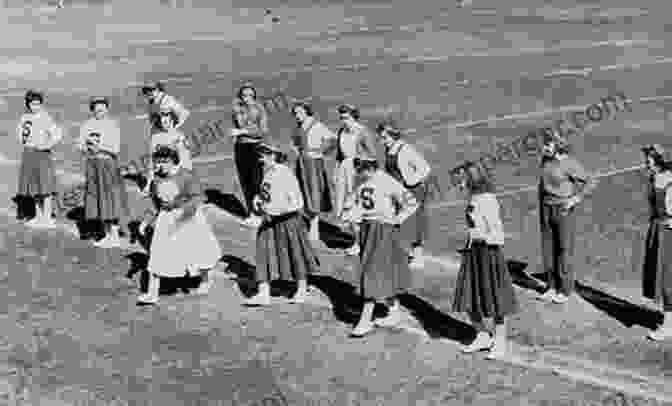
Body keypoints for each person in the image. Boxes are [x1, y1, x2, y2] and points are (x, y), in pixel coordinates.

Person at [341, 154, 418, 337]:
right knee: (380, 270)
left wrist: (396, 220)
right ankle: (394, 310)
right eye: (359, 168)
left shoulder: (386, 181)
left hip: (383, 230)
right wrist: (351, 215)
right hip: (367, 230)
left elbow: (411, 202)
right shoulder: (363, 181)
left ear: (372, 167)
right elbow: (355, 203)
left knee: (371, 273)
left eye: (363, 168)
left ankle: (365, 320)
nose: (361, 172)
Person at [136, 146, 221, 305]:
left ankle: (204, 280)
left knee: (199, 252)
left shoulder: (186, 176)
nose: (159, 165)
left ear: (173, 161)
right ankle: (152, 293)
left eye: (164, 162)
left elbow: (198, 198)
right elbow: (155, 205)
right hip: (166, 220)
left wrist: (184, 212)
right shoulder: (156, 180)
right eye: (157, 162)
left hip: (188, 218)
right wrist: (146, 221)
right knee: (158, 254)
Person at [452, 161, 518, 359]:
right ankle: (482, 334)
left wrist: (479, 237)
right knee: (468, 296)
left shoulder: (487, 200)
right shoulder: (474, 198)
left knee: (495, 299)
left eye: (460, 180)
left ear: (471, 179)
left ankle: (500, 340)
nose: (458, 184)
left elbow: (498, 234)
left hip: (488, 254)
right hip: (473, 253)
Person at [244, 142, 320, 306]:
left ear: (272, 155)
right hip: (269, 220)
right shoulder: (269, 172)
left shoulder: (285, 174)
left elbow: (297, 203)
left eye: (263, 155)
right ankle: (263, 292)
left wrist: (275, 211)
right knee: (262, 251)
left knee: (296, 255)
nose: (260, 159)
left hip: (289, 221)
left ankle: (301, 288)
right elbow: (269, 195)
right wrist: (259, 201)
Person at [538, 129, 597, 304]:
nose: (544, 147)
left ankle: (564, 289)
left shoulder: (570, 164)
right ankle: (551, 286)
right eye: (544, 144)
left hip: (563, 209)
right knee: (548, 247)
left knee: (563, 248)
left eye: (547, 144)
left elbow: (590, 181)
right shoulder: (546, 161)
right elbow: (544, 183)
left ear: (557, 146)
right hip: (546, 207)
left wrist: (575, 199)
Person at [377, 118, 441, 268]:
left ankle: (418, 257)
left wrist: (411, 180)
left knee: (414, 225)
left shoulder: (405, 150)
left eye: (384, 137)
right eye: (381, 137)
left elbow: (425, 168)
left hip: (412, 192)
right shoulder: (389, 149)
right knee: (394, 221)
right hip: (397, 192)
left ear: (393, 135)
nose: (382, 140)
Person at [325, 104, 377, 256]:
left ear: (354, 117)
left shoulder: (363, 132)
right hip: (343, 170)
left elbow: (372, 155)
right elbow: (339, 155)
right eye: (341, 118)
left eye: (346, 117)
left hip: (357, 173)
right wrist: (336, 171)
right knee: (344, 207)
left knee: (356, 207)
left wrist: (365, 172)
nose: (343, 120)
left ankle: (360, 243)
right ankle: (356, 240)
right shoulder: (341, 131)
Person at [78, 97, 128, 248]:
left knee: (110, 199)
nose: (100, 111)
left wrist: (99, 147)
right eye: (96, 108)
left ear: (107, 109)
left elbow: (115, 148)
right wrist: (87, 147)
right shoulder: (87, 125)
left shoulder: (112, 125)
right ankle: (106, 234)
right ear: (92, 110)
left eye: (102, 108)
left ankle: (114, 234)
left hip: (107, 164)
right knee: (98, 199)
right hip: (93, 164)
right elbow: (80, 144)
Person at [16, 90, 63, 228]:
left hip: (42, 155)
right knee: (34, 188)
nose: (35, 106)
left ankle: (47, 217)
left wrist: (46, 144)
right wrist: (26, 143)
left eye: (38, 104)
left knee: (45, 187)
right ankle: (38, 215)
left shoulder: (45, 117)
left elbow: (57, 134)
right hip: (29, 154)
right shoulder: (24, 117)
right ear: (28, 104)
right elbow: (20, 134)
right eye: (32, 104)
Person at [291, 101, 335, 242]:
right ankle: (310, 221)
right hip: (302, 163)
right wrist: (297, 150)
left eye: (299, 112)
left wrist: (320, 152)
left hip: (313, 165)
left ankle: (314, 225)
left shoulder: (317, 125)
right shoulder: (299, 127)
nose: (297, 116)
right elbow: (295, 142)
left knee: (314, 193)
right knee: (304, 192)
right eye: (295, 113)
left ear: (306, 111)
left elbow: (332, 140)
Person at [640, 144, 672, 341]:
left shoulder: (669, 180)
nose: (646, 164)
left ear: (657, 162)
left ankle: (669, 325)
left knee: (668, 279)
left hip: (668, 233)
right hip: (658, 230)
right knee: (661, 277)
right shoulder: (654, 178)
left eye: (648, 161)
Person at [231, 83, 269, 228]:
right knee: (244, 180)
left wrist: (243, 132)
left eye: (250, 96)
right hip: (240, 147)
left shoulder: (259, 109)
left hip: (255, 147)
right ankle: (250, 212)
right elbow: (236, 127)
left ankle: (259, 213)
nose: (246, 98)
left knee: (256, 180)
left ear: (254, 96)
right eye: (243, 95)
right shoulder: (237, 109)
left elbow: (262, 131)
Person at [143, 110, 193, 193]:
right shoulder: (155, 138)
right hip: (161, 173)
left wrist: (184, 176)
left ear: (173, 121)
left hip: (176, 172)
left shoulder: (180, 137)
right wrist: (148, 185)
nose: (164, 124)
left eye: (167, 121)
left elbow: (186, 160)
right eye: (162, 122)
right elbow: (151, 161)